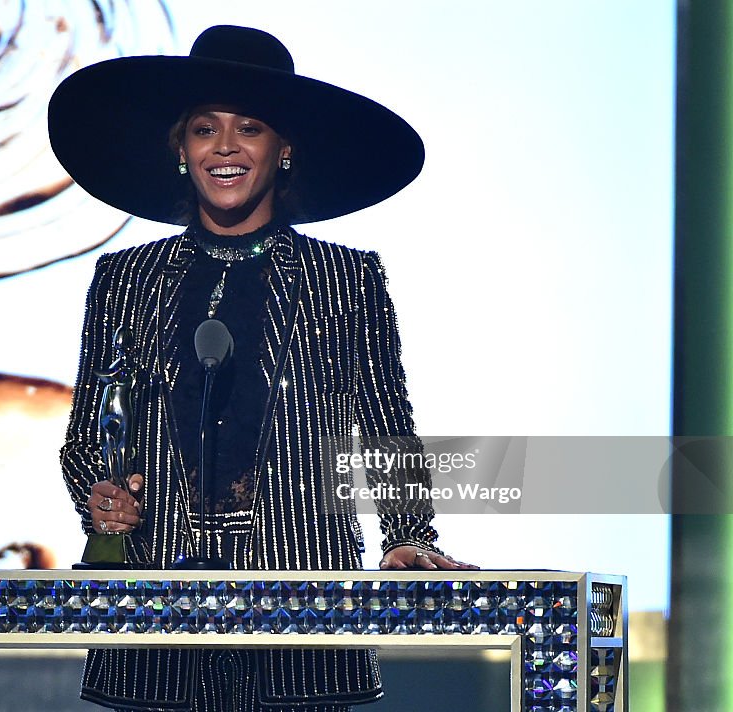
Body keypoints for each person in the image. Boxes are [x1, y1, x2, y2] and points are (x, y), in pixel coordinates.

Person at [52, 24, 475, 712]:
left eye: (248, 128)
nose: (224, 147)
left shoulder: (345, 278)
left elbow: (384, 424)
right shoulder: (124, 278)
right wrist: (98, 496)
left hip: (302, 602)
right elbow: (85, 436)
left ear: (283, 151)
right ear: (180, 151)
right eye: (203, 129)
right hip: (156, 610)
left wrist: (406, 534)